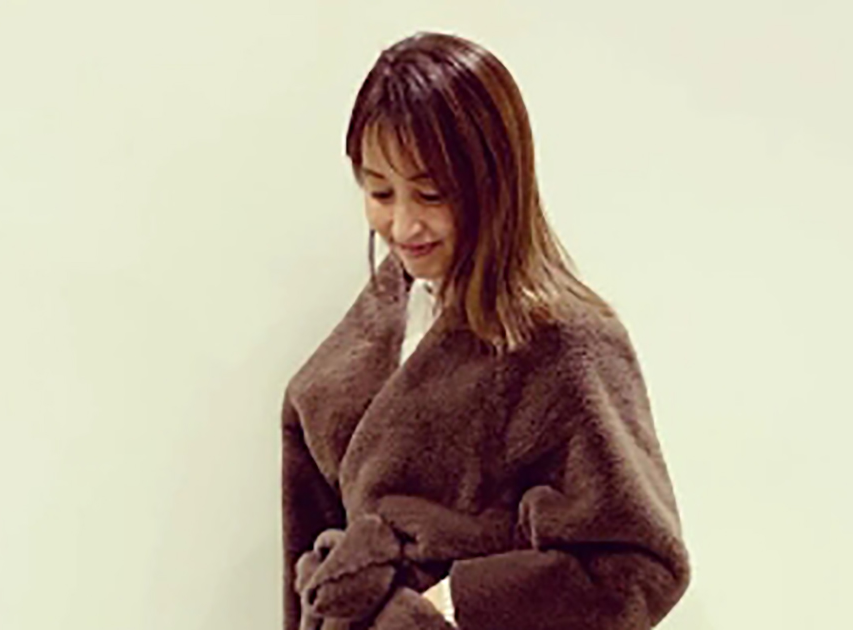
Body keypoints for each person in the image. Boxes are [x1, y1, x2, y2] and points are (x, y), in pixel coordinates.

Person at [281, 31, 691, 630]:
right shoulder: (381, 315)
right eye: (379, 191)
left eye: (430, 194)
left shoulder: (566, 341)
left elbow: (641, 563)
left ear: (494, 182)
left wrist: (453, 605)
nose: (403, 224)